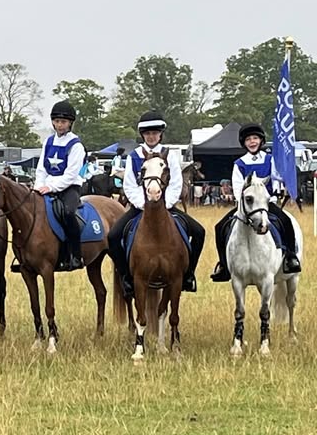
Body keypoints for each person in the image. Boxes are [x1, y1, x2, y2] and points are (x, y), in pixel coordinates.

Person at [107, 111, 205, 296]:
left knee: (199, 232)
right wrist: (143, 204)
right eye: (147, 133)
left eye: (155, 133)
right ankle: (127, 277)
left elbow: (176, 183)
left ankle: (188, 275)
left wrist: (165, 204)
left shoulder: (170, 155)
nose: (151, 136)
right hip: (140, 207)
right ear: (142, 135)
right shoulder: (134, 156)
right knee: (113, 236)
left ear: (161, 134)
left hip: (165, 206)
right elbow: (130, 184)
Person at [210, 123, 301, 281]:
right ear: (244, 143)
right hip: (247, 206)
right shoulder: (239, 163)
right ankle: (224, 265)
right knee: (220, 227)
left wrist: (278, 188)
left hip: (267, 204)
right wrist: (244, 203)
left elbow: (276, 179)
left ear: (261, 141)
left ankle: (290, 257)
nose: (252, 142)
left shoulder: (270, 160)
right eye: (248, 139)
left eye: (255, 138)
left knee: (286, 221)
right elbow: (237, 188)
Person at [34, 100, 86, 271]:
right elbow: (41, 168)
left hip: (69, 187)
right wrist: (39, 185)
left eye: (63, 122)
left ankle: (75, 255)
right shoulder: (48, 142)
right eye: (57, 121)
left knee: (68, 213)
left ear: (70, 123)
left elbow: (71, 174)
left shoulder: (76, 145)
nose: (60, 125)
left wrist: (51, 187)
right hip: (46, 186)